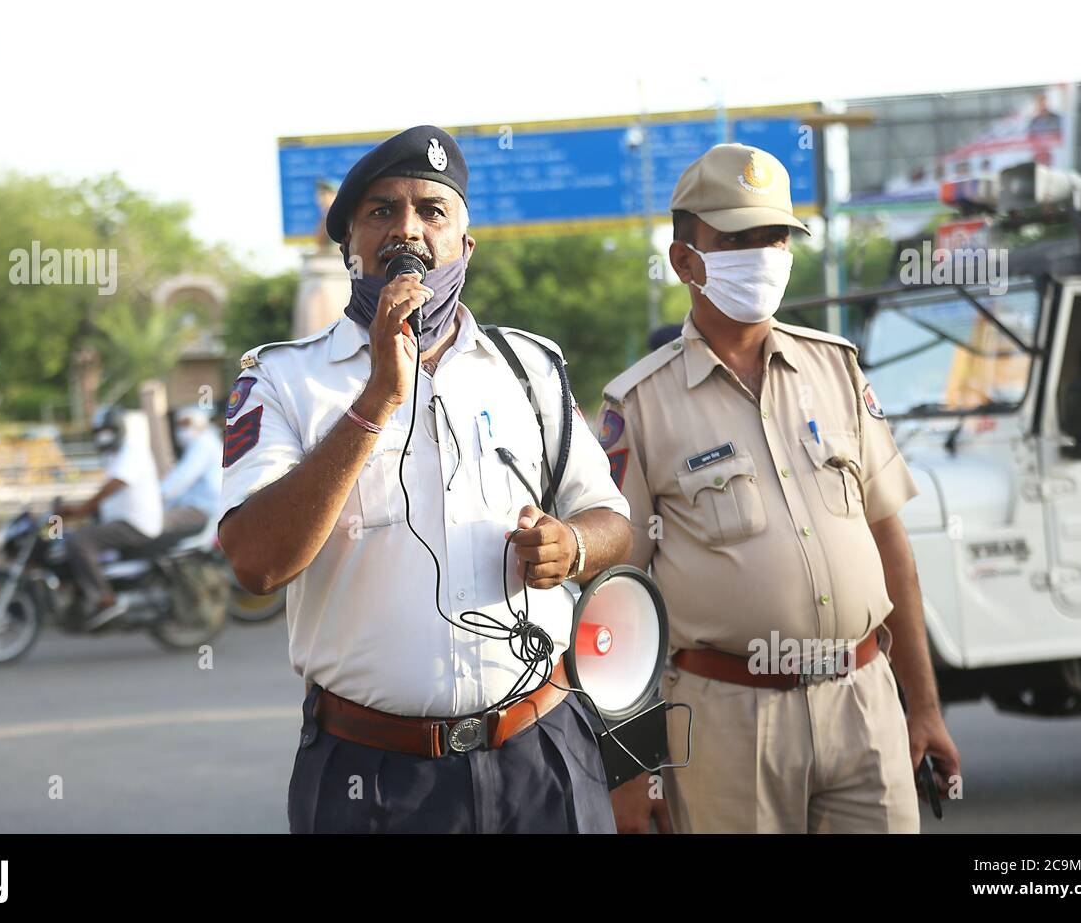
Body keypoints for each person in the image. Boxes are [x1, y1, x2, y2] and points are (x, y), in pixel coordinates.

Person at [218, 125, 633, 834]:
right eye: (381, 211)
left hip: (543, 752)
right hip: (373, 777)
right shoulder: (281, 379)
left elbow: (613, 520)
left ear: (464, 246)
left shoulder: (530, 368)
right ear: (349, 243)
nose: (406, 228)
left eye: (432, 211)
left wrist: (574, 545)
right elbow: (257, 563)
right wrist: (376, 398)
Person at [599, 143, 961, 833]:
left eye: (773, 237)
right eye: (736, 240)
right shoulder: (639, 408)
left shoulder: (838, 372)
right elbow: (618, 601)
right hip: (727, 721)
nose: (761, 256)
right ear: (684, 260)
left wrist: (923, 708)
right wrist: (629, 767)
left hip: (864, 704)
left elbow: (891, 547)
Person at [60, 406, 163, 625]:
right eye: (99, 432)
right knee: (72, 536)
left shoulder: (132, 450)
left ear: (119, 430)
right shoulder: (114, 455)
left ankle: (105, 599)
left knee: (79, 542)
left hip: (136, 524)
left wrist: (82, 509)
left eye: (107, 430)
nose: (103, 436)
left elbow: (114, 485)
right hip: (120, 521)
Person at [159, 406, 222, 535]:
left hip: (203, 508)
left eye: (186, 424)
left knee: (154, 524)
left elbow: (182, 479)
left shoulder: (203, 444)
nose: (182, 430)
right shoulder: (202, 442)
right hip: (198, 505)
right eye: (180, 425)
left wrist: (159, 496)